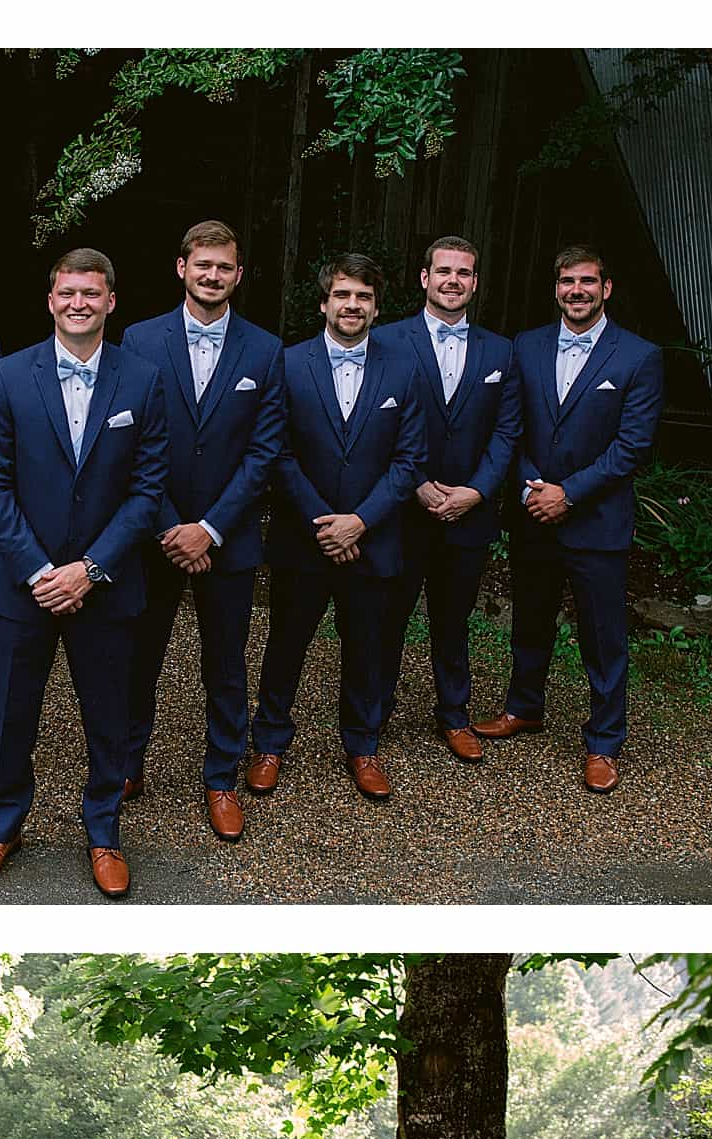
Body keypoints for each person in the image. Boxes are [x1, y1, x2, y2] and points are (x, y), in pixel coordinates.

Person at [0, 246, 167, 898]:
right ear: (51, 301)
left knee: (109, 715)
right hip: (25, 584)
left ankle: (104, 831)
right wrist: (40, 569)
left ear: (110, 301)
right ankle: (1, 827)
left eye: (92, 292)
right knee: (10, 713)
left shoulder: (143, 379)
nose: (79, 302)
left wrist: (92, 568)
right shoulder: (8, 376)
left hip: (106, 586)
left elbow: (147, 487)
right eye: (67, 292)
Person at [120, 220, 286, 841]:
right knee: (140, 659)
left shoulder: (266, 350)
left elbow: (264, 451)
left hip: (228, 537)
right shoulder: (138, 339)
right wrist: (170, 526)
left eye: (224, 267)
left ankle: (220, 777)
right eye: (202, 265)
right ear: (181, 268)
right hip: (155, 534)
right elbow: (133, 441)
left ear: (237, 276)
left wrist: (209, 529)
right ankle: (127, 764)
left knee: (226, 664)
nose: (212, 275)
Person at [477, 244, 664, 792]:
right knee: (530, 621)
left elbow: (633, 446)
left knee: (602, 637)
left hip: (596, 521)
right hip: (535, 510)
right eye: (566, 281)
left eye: (587, 281)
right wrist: (536, 486)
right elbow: (512, 427)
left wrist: (570, 494)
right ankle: (523, 707)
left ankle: (604, 741)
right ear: (555, 288)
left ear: (607, 288)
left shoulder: (637, 356)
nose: (575, 290)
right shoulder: (526, 347)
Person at [250, 253, 425, 805]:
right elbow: (275, 452)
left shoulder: (403, 369)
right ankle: (270, 742)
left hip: (372, 540)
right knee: (286, 645)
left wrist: (360, 522)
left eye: (364, 297)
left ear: (376, 307)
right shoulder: (288, 362)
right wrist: (324, 522)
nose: (353, 306)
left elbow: (409, 460)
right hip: (304, 539)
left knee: (368, 647)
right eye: (343, 295)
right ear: (324, 302)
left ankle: (362, 745)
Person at [371, 238, 521, 762]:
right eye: (444, 271)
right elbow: (376, 423)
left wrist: (477, 491)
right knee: (387, 618)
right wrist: (415, 483)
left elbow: (507, 433)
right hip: (403, 510)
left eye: (464, 273)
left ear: (475, 283)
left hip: (468, 512)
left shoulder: (501, 351)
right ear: (424, 277)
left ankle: (454, 716)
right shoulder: (386, 340)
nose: (453, 280)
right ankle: (371, 718)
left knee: (454, 622)